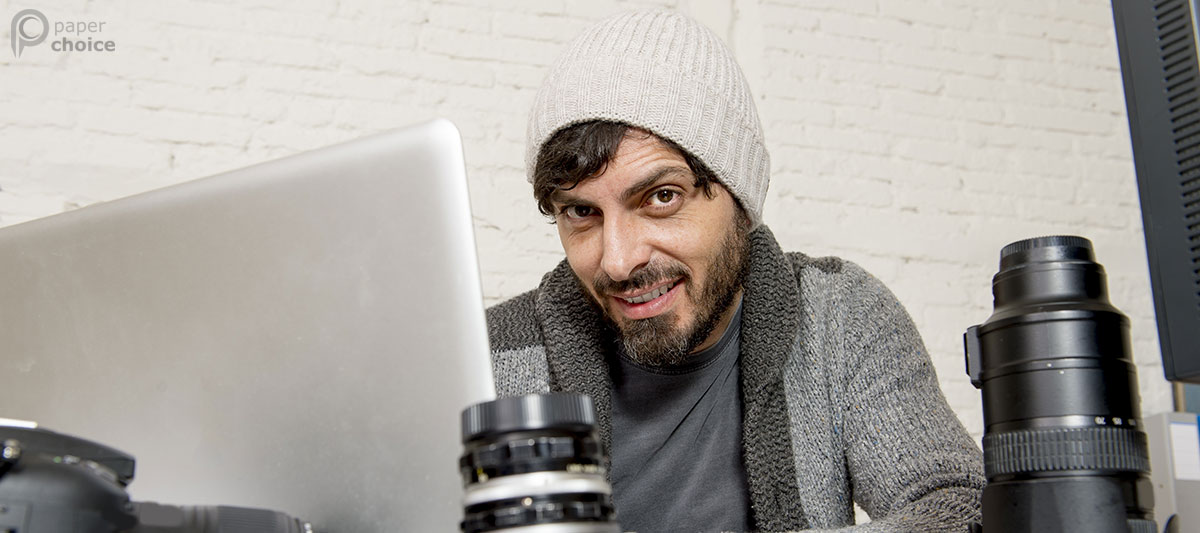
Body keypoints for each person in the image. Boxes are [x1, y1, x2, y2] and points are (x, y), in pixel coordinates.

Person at [485, 10, 984, 532]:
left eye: (661, 197)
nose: (618, 260)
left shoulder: (836, 315)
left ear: (740, 203)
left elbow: (958, 505)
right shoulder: (490, 357)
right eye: (581, 212)